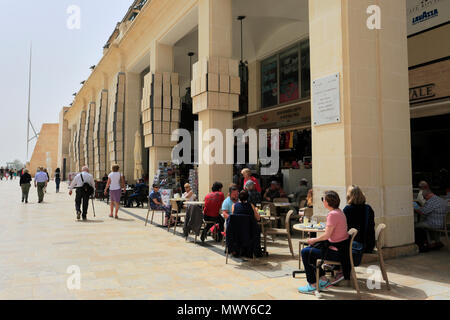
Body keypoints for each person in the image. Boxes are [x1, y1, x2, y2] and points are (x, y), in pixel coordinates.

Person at [298, 191, 350, 294]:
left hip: (336, 253)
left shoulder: (332, 214)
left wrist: (314, 240)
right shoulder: (339, 212)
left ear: (327, 202)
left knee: (305, 252)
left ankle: (312, 284)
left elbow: (327, 235)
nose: (323, 201)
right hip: (341, 250)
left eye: (323, 199)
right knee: (309, 251)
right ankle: (323, 279)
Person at [343, 186, 375, 254]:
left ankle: (336, 263)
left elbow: (344, 228)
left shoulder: (347, 210)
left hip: (357, 245)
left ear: (349, 196)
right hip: (369, 245)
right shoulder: (368, 208)